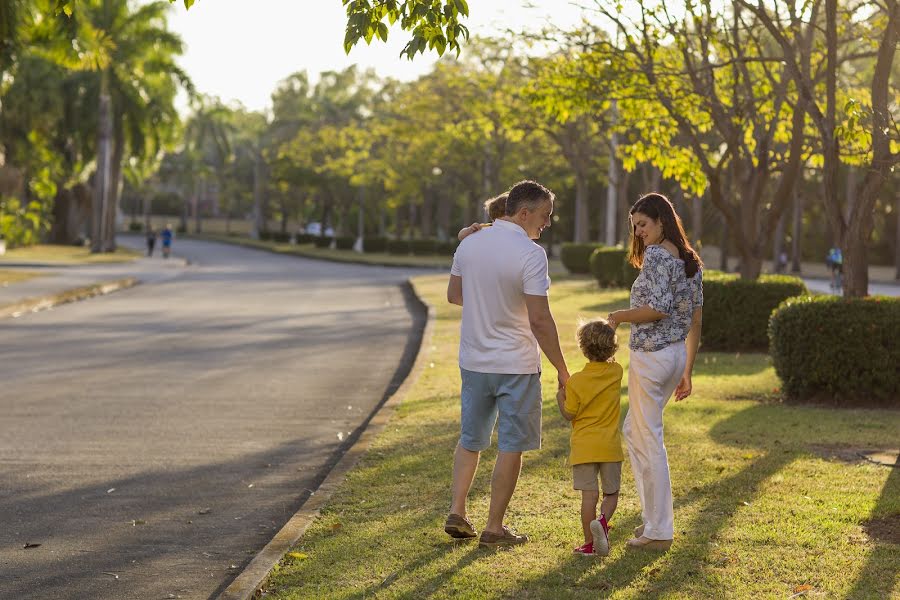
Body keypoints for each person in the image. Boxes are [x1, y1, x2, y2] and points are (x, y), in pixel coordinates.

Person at [444, 180, 569, 548]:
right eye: (545, 216)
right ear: (525, 212)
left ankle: (457, 510)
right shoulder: (531, 254)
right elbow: (540, 320)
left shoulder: (469, 243)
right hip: (516, 363)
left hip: (475, 360)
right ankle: (494, 528)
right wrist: (563, 369)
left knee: (471, 439)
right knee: (511, 444)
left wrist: (487, 303)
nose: (547, 223)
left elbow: (454, 295)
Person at [606, 192, 703, 552]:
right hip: (673, 356)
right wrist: (687, 369)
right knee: (635, 431)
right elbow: (695, 319)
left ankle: (659, 530)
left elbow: (657, 308)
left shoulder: (659, 255)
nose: (639, 232)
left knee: (649, 439)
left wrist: (617, 316)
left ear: (662, 221)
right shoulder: (690, 260)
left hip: (652, 357)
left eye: (643, 225)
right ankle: (653, 519)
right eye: (635, 227)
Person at [556, 318, 623, 557]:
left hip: (584, 447)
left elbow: (569, 413)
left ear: (583, 349)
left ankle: (589, 543)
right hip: (610, 446)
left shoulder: (576, 382)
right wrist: (610, 334)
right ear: (612, 349)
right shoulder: (616, 372)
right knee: (611, 494)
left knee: (589, 496)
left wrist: (560, 397)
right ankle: (603, 523)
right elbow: (609, 354)